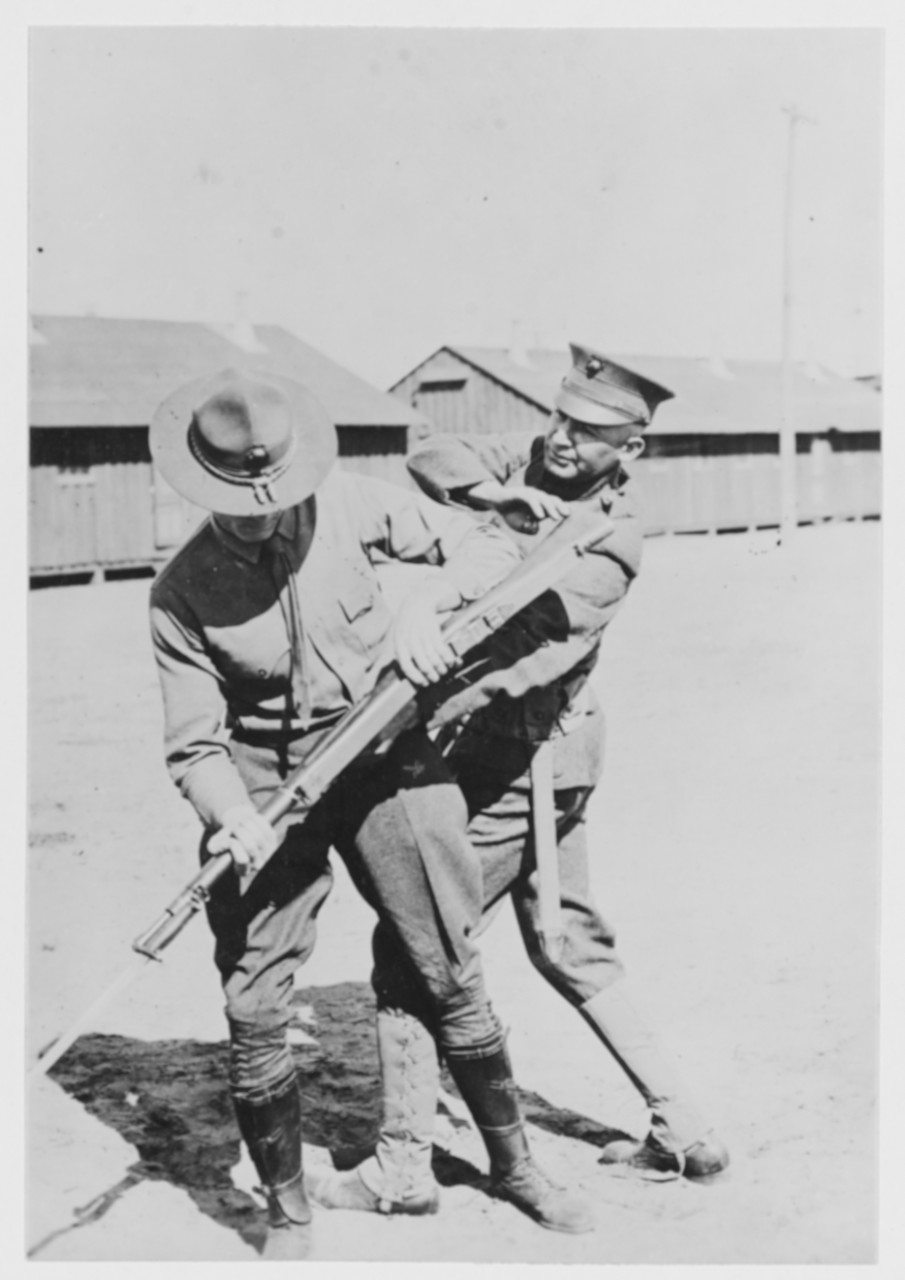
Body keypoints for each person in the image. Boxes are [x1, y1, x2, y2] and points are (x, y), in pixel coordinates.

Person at [147, 366, 595, 1258]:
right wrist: (231, 813)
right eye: (238, 502)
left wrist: (430, 602)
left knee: (448, 958)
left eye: (272, 496)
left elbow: (493, 536)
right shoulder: (179, 593)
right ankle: (287, 1212)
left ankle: (514, 1166)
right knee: (253, 996)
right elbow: (194, 744)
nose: (262, 514)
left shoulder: (349, 503)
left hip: (385, 747)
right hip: (264, 781)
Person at [308, 343, 729, 1219]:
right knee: (567, 939)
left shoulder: (612, 547)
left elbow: (521, 656)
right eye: (561, 418)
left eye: (591, 432)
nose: (565, 440)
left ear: (633, 449)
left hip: (526, 761)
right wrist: (491, 494)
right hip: (526, 755)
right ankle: (684, 1127)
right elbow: (430, 452)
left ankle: (401, 1167)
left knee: (415, 946)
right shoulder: (538, 458)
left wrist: (427, 664)